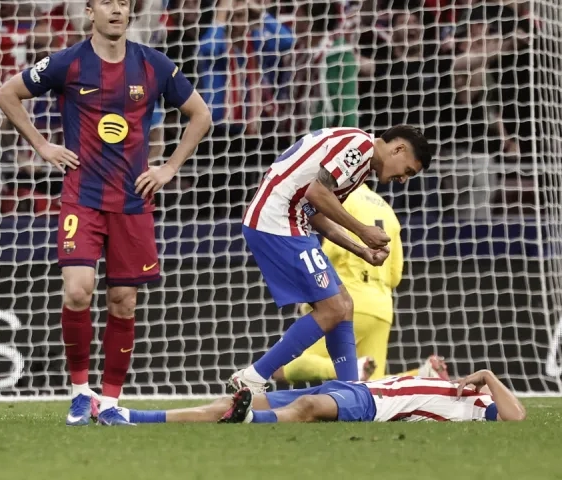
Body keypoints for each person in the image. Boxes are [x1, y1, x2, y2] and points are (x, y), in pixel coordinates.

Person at [0, 0, 212, 426]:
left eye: (123, 3)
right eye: (107, 2)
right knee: (78, 291)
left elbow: (200, 115)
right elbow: (8, 93)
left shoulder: (153, 64)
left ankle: (110, 402)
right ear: (90, 11)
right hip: (83, 197)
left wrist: (169, 168)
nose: (116, 10)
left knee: (123, 302)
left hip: (132, 202)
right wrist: (43, 146)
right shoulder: (68, 62)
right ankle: (81, 393)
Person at [230, 125, 432, 393]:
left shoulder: (360, 164)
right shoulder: (359, 147)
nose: (404, 179)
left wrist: (360, 249)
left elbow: (315, 211)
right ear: (398, 149)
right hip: (276, 221)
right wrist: (363, 230)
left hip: (292, 222)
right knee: (333, 308)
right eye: (408, 170)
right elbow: (317, 194)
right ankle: (254, 376)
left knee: (345, 305)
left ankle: (349, 390)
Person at [273, 183, 449, 384]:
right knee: (372, 386)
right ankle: (423, 375)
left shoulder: (343, 200)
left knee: (281, 366)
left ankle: (348, 367)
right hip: (380, 307)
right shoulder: (387, 210)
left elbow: (332, 252)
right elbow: (395, 276)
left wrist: (308, 292)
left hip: (343, 299)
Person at [118, 370, 527, 424]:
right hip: (357, 387)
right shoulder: (463, 391)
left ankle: (247, 420)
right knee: (231, 401)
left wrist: (489, 376)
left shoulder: (480, 411)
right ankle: (130, 415)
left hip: (372, 406)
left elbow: (518, 417)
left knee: (307, 409)